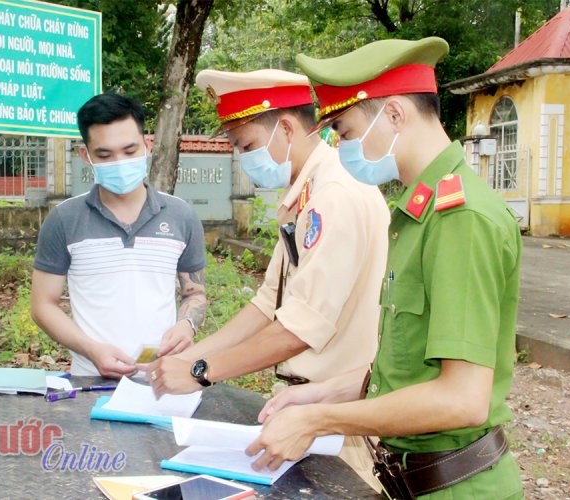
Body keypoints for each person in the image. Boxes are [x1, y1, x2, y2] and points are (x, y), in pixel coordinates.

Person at [247, 37, 524, 499]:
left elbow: (462, 398)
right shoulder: (415, 214)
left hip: (456, 487)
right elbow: (410, 367)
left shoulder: (460, 219)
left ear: (395, 114)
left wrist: (319, 420)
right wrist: (322, 394)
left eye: (348, 132)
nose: (342, 147)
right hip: (412, 481)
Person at [142, 69, 390, 488]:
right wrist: (188, 358)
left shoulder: (334, 196)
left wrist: (203, 370)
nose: (245, 159)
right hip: (305, 405)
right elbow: (266, 304)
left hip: (336, 412)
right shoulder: (307, 194)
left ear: (287, 128)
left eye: (249, 145)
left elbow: (299, 328)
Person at [31, 93, 207, 378]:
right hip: (89, 379)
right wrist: (90, 349)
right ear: (85, 156)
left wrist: (187, 326)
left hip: (164, 377)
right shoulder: (64, 219)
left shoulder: (181, 215)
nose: (119, 162)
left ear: (147, 146)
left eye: (129, 151)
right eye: (105, 155)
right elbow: (42, 305)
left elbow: (195, 293)